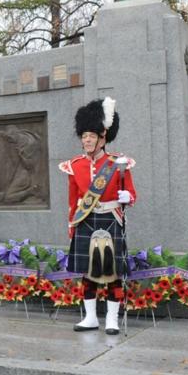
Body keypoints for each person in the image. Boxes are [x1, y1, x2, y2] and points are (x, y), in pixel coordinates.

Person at [61, 98, 137, 335]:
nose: (86, 140)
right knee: (88, 271)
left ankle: (112, 320)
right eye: (84, 136)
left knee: (112, 272)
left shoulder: (118, 164)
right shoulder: (73, 166)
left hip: (110, 218)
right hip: (86, 220)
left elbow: (132, 194)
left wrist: (127, 197)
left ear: (103, 137)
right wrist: (72, 224)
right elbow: (73, 200)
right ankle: (91, 317)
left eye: (91, 136)